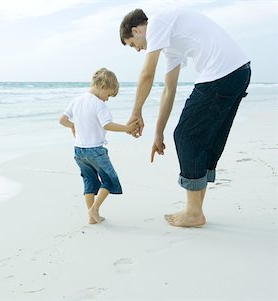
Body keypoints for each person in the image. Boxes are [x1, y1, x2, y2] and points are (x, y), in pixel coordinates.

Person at [119, 7, 251, 227]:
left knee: (186, 136)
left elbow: (147, 74)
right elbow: (168, 90)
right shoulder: (171, 45)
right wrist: (158, 133)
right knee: (206, 139)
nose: (138, 50)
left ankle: (193, 213)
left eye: (133, 44)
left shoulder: (158, 22)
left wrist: (136, 112)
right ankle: (196, 208)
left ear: (137, 30)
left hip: (221, 72)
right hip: (239, 71)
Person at [59, 68, 138, 224]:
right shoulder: (98, 104)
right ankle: (94, 209)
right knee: (109, 180)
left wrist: (73, 126)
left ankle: (92, 217)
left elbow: (62, 120)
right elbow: (107, 124)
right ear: (102, 85)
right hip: (95, 150)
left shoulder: (76, 100)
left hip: (79, 150)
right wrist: (127, 129)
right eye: (108, 95)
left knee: (89, 180)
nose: (107, 99)